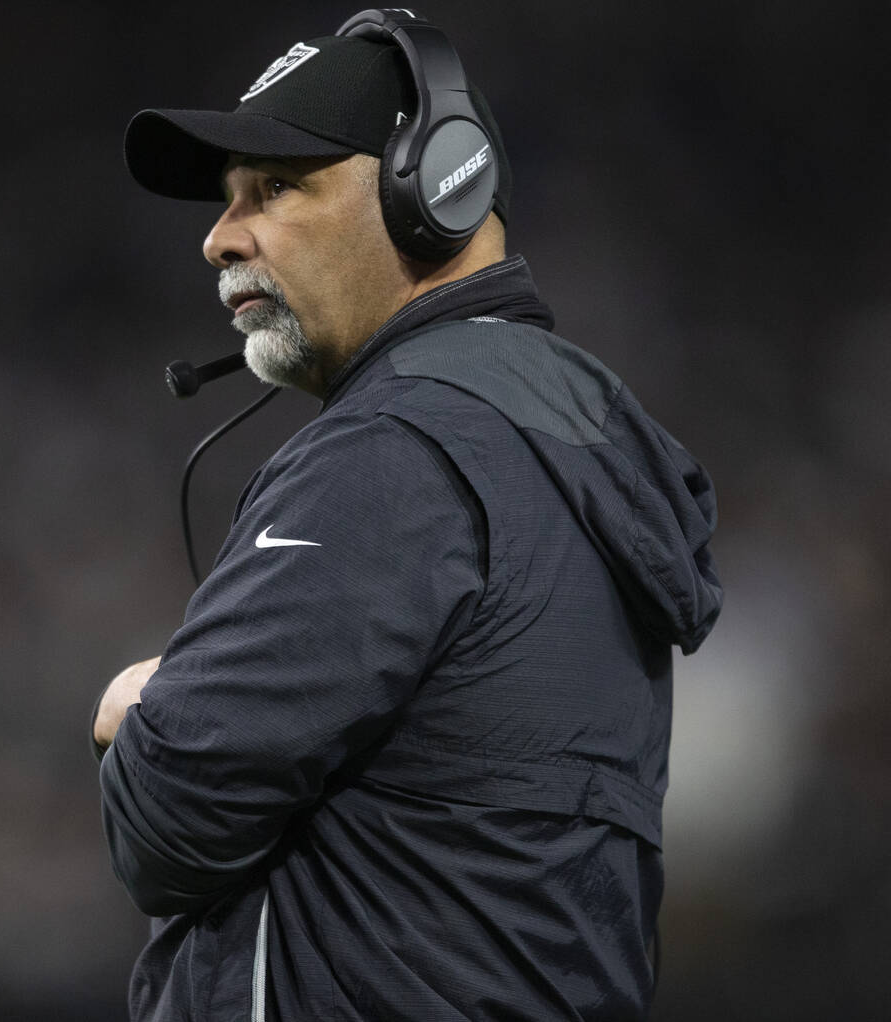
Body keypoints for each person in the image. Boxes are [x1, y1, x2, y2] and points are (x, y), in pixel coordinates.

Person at [93, 9, 722, 1021]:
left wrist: (129, 710)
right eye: (225, 202)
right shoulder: (562, 444)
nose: (219, 239)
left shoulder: (396, 450)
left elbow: (169, 822)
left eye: (275, 188)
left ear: (436, 188)